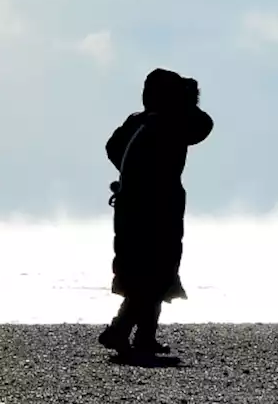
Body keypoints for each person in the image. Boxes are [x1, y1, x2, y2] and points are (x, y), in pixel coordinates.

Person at [98, 68, 214, 355]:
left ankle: (142, 336)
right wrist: (188, 100)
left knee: (148, 270)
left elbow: (112, 147)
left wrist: (130, 174)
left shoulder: (139, 122)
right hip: (157, 206)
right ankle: (122, 330)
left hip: (134, 202)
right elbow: (203, 125)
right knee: (155, 270)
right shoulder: (170, 122)